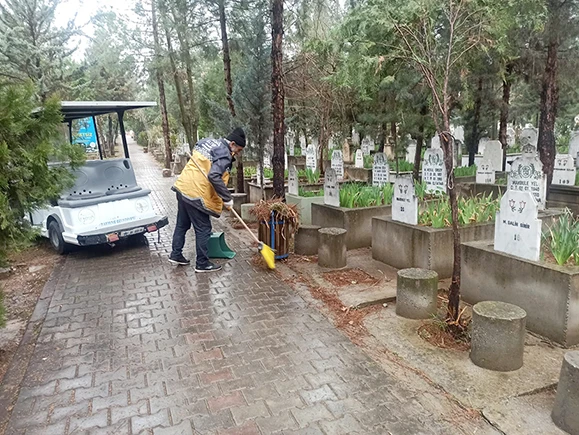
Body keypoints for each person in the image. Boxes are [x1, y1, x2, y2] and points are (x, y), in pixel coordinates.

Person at [169, 128, 246, 272]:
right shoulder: (225, 154)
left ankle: (176, 254)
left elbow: (198, 151)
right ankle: (202, 263)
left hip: (183, 187)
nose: (238, 153)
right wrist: (227, 197)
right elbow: (214, 176)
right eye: (238, 149)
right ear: (232, 144)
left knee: (182, 224)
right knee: (203, 229)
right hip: (196, 194)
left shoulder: (207, 142)